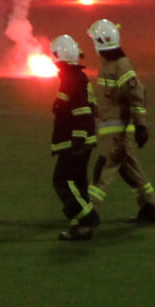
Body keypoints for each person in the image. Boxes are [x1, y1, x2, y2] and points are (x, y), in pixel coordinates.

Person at [86, 17, 155, 224]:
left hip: (116, 134)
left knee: (103, 171)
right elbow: (109, 99)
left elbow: (136, 93)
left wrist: (141, 125)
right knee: (131, 172)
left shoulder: (120, 65)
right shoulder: (110, 64)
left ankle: (87, 214)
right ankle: (150, 206)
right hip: (113, 130)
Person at [48, 33, 101, 241]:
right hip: (82, 140)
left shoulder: (71, 78)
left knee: (62, 181)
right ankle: (81, 228)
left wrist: (77, 140)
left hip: (74, 141)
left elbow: (79, 111)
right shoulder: (78, 77)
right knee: (78, 184)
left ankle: (87, 218)